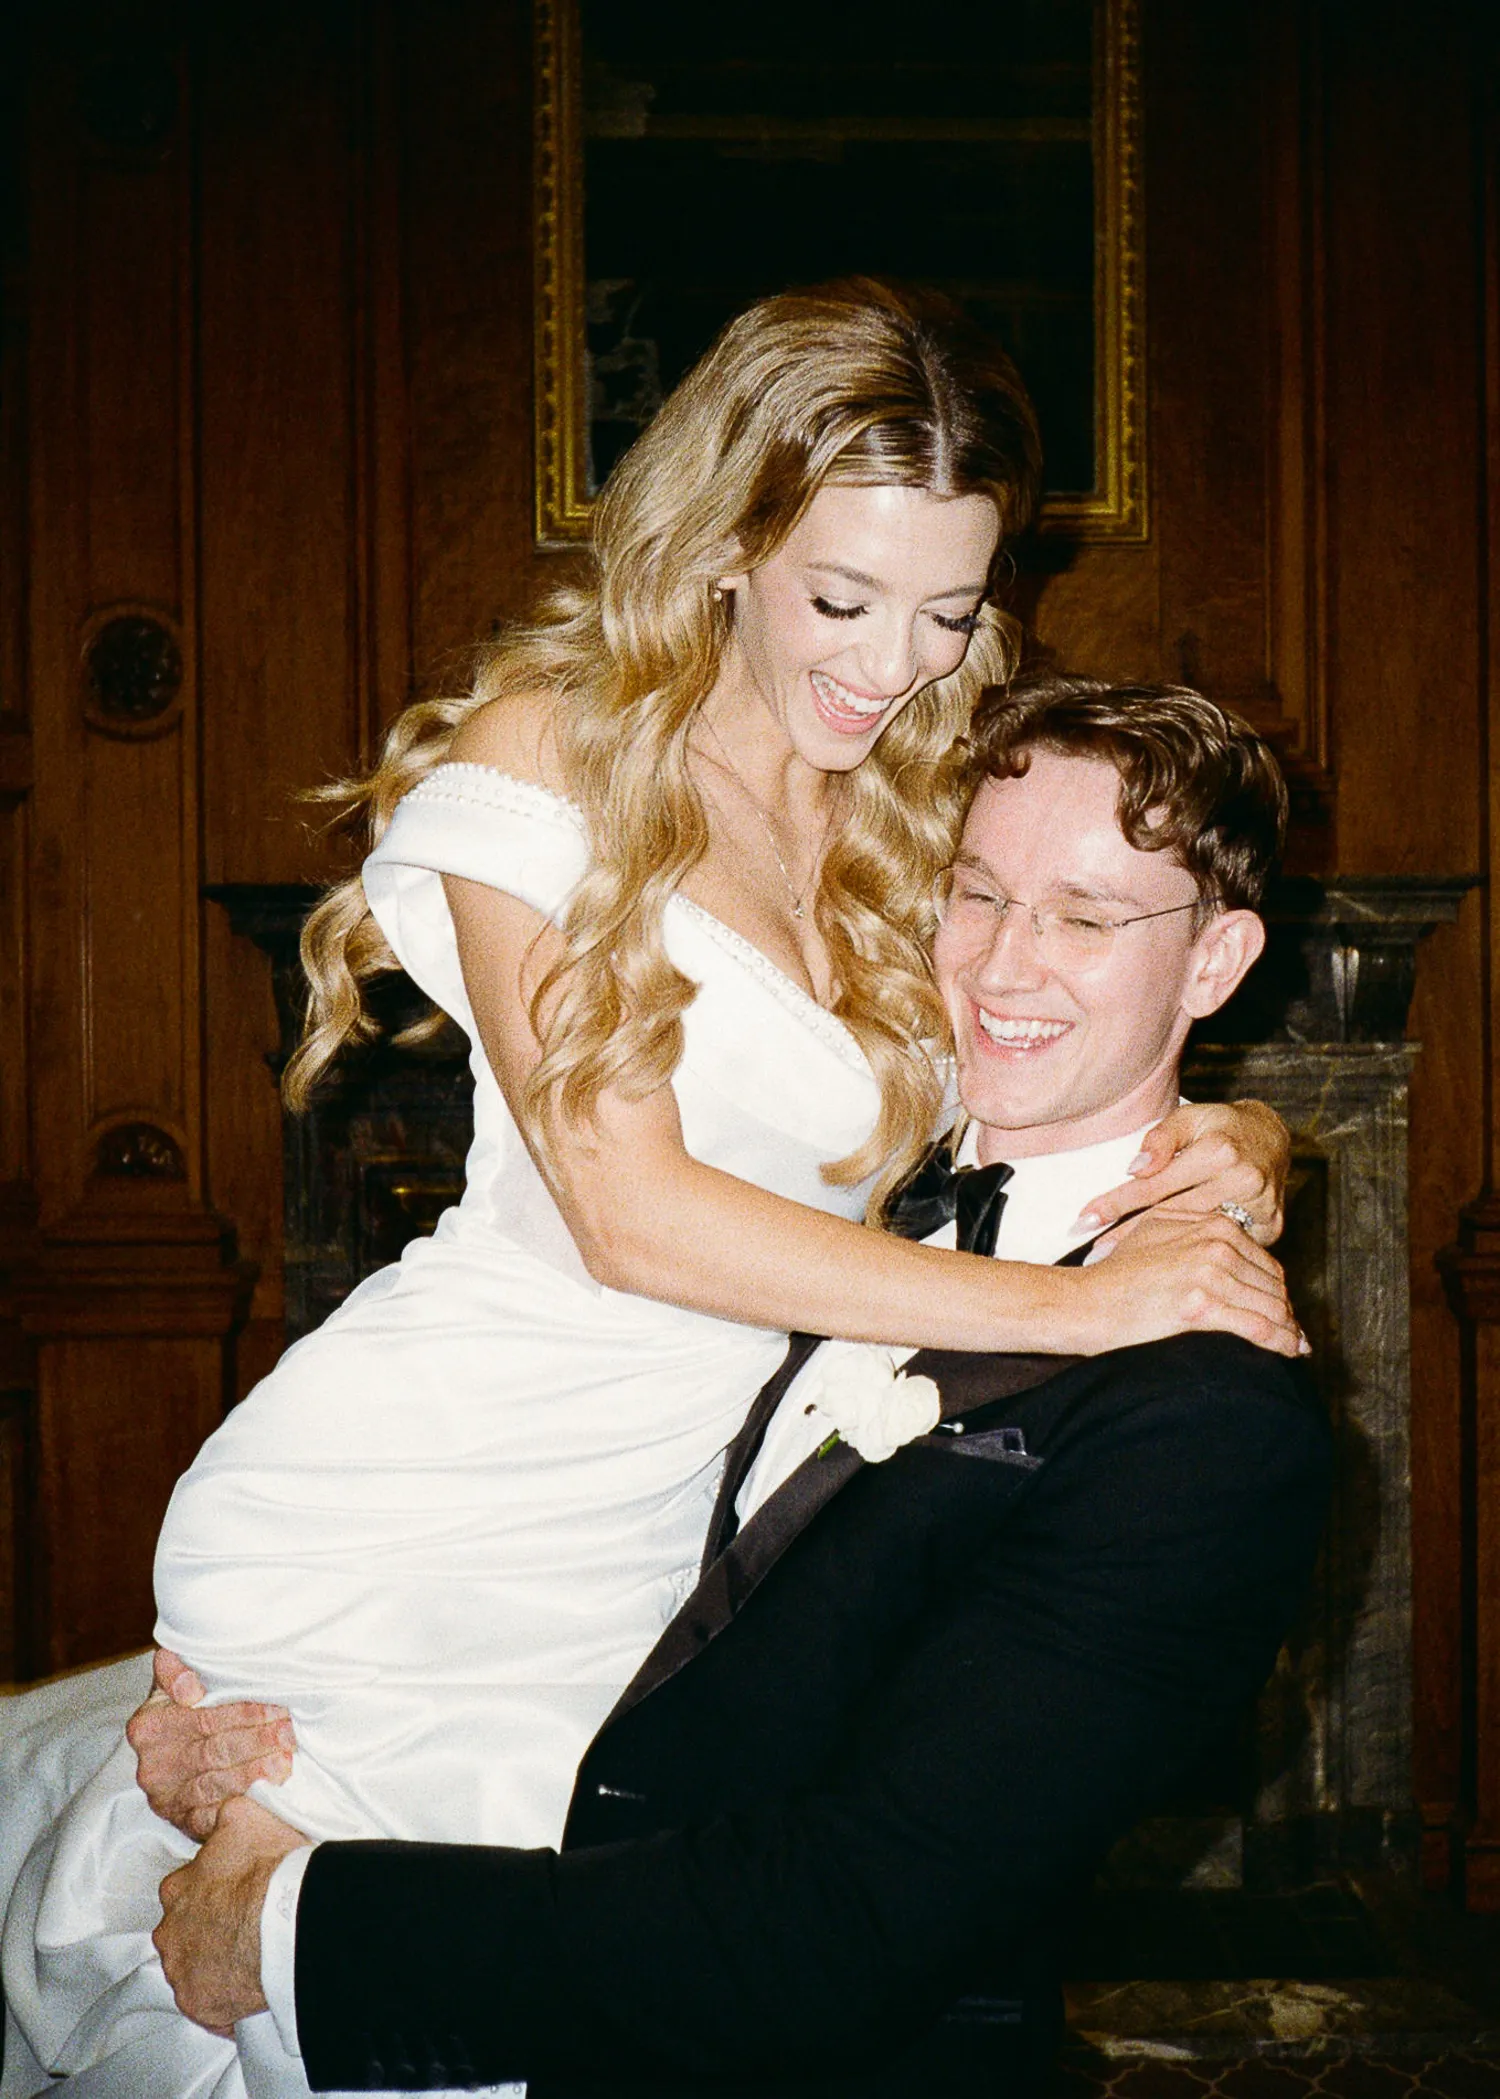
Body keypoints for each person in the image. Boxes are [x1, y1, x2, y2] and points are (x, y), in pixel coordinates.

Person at [0, 277, 1294, 2099]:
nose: (893, 662)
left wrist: (1247, 1134)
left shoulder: (919, 786)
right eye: (842, 600)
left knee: (553, 1978)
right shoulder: (553, 754)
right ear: (725, 542)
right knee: (344, 2004)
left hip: (687, 1525)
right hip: (442, 1495)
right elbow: (629, 1213)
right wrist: (1088, 1310)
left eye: (947, 611)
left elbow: (1071, 1011)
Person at [146, 675, 1332, 2099]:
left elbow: (846, 1925)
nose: (1004, 964)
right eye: (975, 893)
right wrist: (285, 1725)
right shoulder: (851, 1198)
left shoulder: (1208, 1424)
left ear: (1216, 962)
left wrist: (293, 1929)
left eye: (1085, 919)